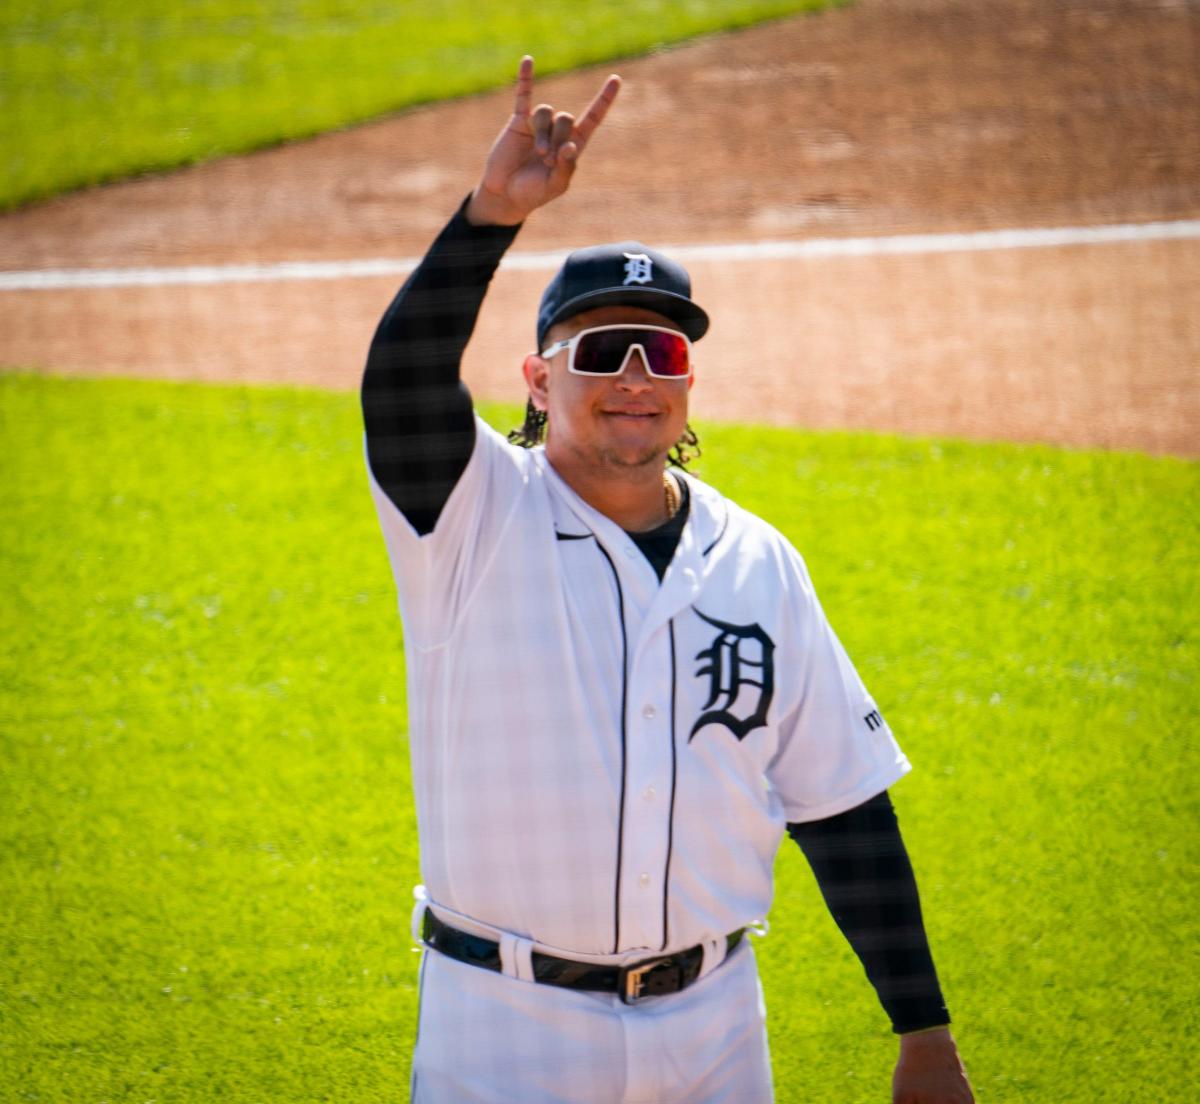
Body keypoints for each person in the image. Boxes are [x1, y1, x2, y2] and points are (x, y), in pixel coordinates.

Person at [361, 55, 974, 1104]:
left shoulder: (759, 563)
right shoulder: (468, 519)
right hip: (506, 1037)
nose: (635, 380)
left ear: (690, 385)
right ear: (540, 378)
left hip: (716, 1036)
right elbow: (403, 386)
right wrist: (488, 221)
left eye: (660, 353)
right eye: (602, 353)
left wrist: (924, 1031)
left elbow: (842, 808)